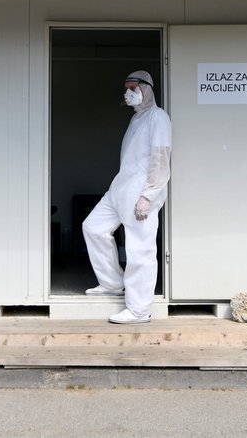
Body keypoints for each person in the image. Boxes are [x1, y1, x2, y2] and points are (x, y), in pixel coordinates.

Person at [82, 70, 172, 324]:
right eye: (126, 88)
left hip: (140, 193)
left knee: (139, 249)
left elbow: (161, 159)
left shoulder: (158, 118)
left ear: (147, 88)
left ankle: (139, 309)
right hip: (120, 188)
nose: (128, 93)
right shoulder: (137, 119)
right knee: (93, 227)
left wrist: (148, 196)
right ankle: (111, 283)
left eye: (133, 87)